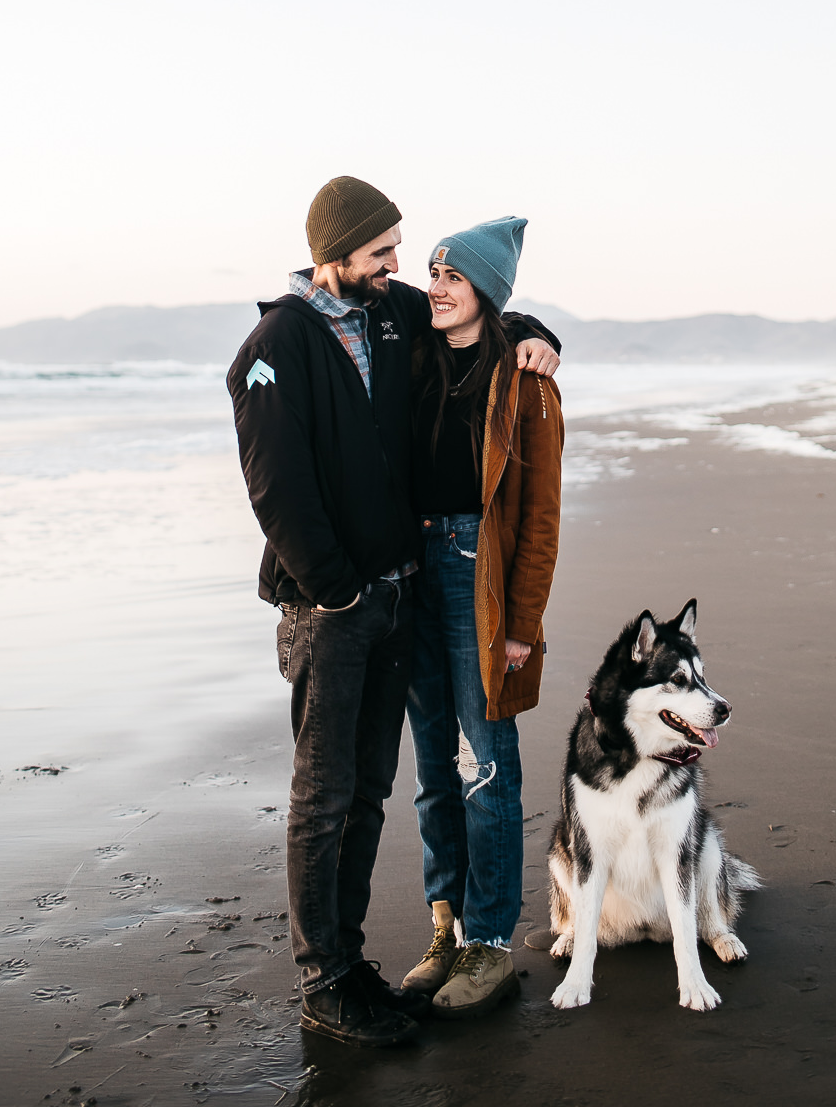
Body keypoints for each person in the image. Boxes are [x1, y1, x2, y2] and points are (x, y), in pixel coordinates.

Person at [226, 178, 560, 1049]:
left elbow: (486, 315)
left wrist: (535, 335)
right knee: (330, 795)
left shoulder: (387, 316)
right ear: (339, 253)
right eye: (387, 255)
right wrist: (336, 585)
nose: (406, 272)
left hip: (410, 587)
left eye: (413, 260)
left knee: (383, 785)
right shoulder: (280, 342)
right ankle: (329, 976)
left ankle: (387, 957)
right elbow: (275, 485)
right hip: (336, 601)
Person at [400, 217, 564, 1017]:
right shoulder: (412, 355)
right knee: (433, 763)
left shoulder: (528, 383)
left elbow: (539, 519)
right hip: (412, 569)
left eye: (451, 276)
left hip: (481, 574)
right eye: (431, 271)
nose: (433, 286)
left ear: (485, 291)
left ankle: (491, 942)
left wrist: (523, 625)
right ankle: (448, 924)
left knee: (486, 759)